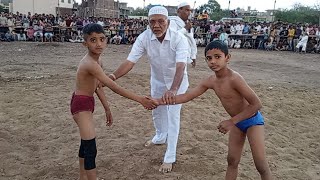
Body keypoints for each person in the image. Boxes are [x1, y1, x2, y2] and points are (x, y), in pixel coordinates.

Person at [157, 40, 273, 179]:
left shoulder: (234, 78)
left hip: (252, 121)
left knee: (260, 165)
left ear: (227, 58)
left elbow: (256, 104)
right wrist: (159, 101)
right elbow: (187, 96)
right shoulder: (211, 81)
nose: (213, 61)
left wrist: (231, 121)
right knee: (232, 161)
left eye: (218, 57)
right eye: (209, 58)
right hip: (236, 123)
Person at [70, 23, 157, 180]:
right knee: (90, 146)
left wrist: (107, 108)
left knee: (86, 142)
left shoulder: (98, 61)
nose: (98, 44)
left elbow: (97, 87)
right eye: (93, 40)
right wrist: (140, 99)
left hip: (87, 102)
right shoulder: (89, 63)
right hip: (81, 104)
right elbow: (113, 86)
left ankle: (83, 176)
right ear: (85, 43)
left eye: (102, 39)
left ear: (106, 40)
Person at [108, 6, 189, 173]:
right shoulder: (144, 38)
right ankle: (160, 137)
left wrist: (173, 90)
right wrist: (112, 77)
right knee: (156, 111)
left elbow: (181, 66)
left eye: (161, 21)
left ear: (167, 21)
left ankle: (170, 156)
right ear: (148, 23)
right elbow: (130, 62)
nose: (156, 25)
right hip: (158, 81)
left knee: (173, 116)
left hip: (177, 83)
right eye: (152, 21)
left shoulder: (179, 39)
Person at [169, 2, 197, 67]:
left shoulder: (188, 24)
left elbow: (191, 40)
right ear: (179, 10)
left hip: (185, 55)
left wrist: (193, 56)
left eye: (190, 10)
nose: (189, 13)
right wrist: (185, 28)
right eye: (187, 10)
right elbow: (173, 38)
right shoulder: (172, 22)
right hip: (174, 56)